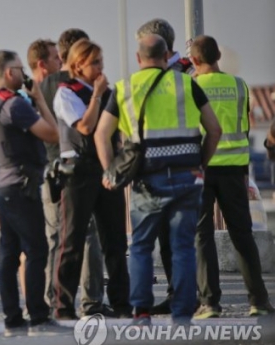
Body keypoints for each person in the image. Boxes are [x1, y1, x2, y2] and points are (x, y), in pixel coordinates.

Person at [95, 34, 222, 325]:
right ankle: (182, 313)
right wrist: (200, 164)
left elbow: (101, 133)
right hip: (187, 177)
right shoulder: (186, 83)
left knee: (141, 246)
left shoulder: (125, 88)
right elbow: (213, 129)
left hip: (146, 181)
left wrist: (109, 171)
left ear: (139, 59)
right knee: (183, 247)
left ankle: (140, 311)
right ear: (167, 56)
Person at [0, 49, 68, 337]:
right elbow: (53, 134)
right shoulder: (14, 104)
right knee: (36, 248)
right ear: (7, 73)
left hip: (1, 183)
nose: (22, 73)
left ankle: (13, 319)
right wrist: (39, 98)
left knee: (9, 253)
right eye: (18, 68)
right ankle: (38, 317)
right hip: (21, 185)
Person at [189, 35, 275, 318]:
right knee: (242, 235)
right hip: (236, 168)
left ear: (194, 60)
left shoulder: (192, 86)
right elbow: (245, 127)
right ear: (218, 57)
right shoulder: (240, 85)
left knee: (202, 235)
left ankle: (210, 303)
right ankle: (259, 301)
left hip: (202, 167)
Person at [51, 38, 132, 320]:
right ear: (78, 65)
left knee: (115, 241)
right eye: (94, 62)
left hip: (105, 168)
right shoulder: (66, 93)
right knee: (72, 241)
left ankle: (122, 304)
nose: (101, 67)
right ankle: (63, 306)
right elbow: (85, 127)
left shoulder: (109, 92)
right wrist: (97, 95)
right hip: (78, 171)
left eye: (101, 61)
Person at [40, 28, 111, 318]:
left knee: (57, 239)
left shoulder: (43, 86)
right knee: (89, 237)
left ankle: (52, 300)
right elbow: (91, 128)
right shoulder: (75, 87)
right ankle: (91, 300)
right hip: (79, 168)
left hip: (50, 170)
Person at [135, 18, 195, 315]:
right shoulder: (184, 72)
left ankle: (188, 299)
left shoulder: (184, 73)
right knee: (172, 243)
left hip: (175, 169)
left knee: (174, 242)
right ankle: (180, 298)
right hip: (183, 167)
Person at [16, 38, 61, 300]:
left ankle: (39, 300)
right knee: (39, 241)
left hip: (41, 173)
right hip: (37, 176)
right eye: (56, 58)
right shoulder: (27, 99)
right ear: (42, 64)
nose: (61, 62)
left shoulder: (47, 91)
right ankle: (39, 300)